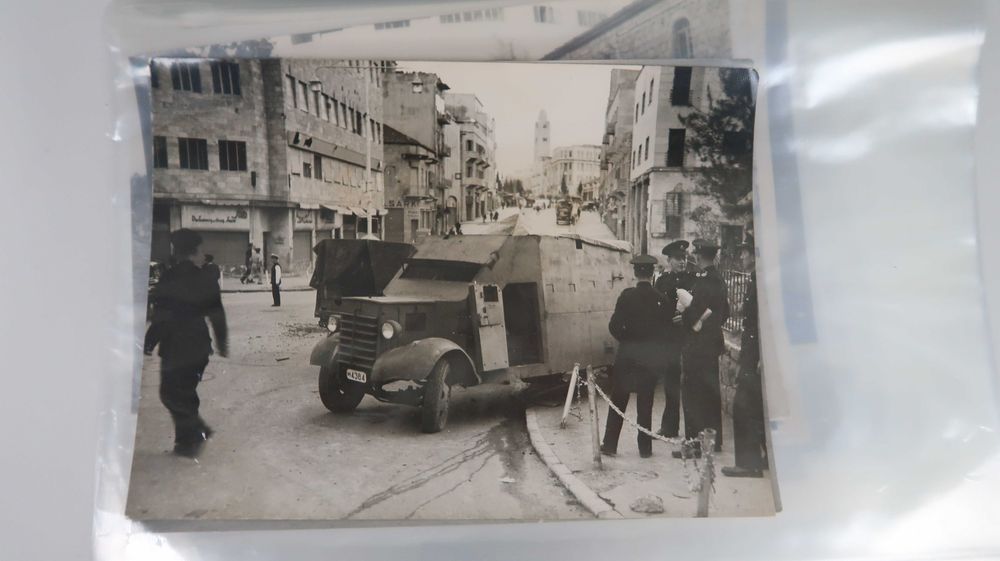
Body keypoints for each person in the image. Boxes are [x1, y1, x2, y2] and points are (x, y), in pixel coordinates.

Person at [147, 229, 228, 458]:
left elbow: (161, 316)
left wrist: (149, 341)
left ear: (176, 251)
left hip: (175, 346)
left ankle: (196, 432)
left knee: (170, 393)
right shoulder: (206, 278)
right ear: (195, 251)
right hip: (200, 347)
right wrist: (222, 344)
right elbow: (217, 314)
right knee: (186, 393)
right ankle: (185, 444)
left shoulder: (169, 277)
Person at [601, 254, 674, 459]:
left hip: (627, 356)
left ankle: (610, 445)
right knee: (645, 402)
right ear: (651, 274)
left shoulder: (626, 296)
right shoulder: (661, 299)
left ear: (635, 273)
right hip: (650, 358)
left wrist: (627, 339)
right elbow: (666, 332)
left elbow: (614, 326)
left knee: (619, 400)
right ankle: (645, 449)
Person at [674, 239, 730, 459]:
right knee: (710, 392)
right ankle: (712, 441)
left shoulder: (705, 282)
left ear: (698, 256)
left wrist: (685, 319)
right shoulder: (719, 280)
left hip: (697, 345)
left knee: (692, 393)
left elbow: (696, 310)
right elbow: (725, 313)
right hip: (712, 344)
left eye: (695, 254)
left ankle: (694, 445)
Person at [722, 242, 767, 477]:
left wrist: (761, 356)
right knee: (758, 408)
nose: (741, 256)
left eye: (745, 252)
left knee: (743, 407)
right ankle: (767, 458)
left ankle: (748, 465)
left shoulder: (760, 282)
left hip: (755, 355)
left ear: (755, 254)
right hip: (752, 352)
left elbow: (765, 323)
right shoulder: (755, 280)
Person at [655, 240, 695, 438]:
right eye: (678, 259)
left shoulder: (693, 279)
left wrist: (685, 319)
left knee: (689, 386)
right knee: (670, 384)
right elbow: (657, 310)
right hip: (669, 340)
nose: (682, 262)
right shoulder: (661, 282)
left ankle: (692, 433)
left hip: (688, 338)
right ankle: (670, 427)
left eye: (684, 258)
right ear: (669, 260)